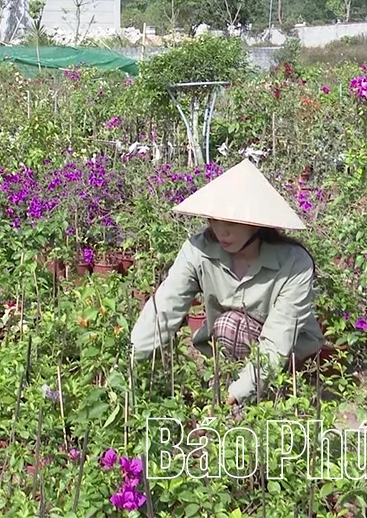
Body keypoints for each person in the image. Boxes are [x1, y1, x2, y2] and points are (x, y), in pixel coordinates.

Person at [130, 159, 324, 405]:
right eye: (214, 221)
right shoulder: (198, 250)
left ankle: (257, 395)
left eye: (231, 223)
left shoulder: (294, 262)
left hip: (288, 352)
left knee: (231, 325)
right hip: (228, 344)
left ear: (256, 223)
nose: (222, 232)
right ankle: (231, 386)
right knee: (227, 327)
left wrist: (235, 394)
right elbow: (165, 307)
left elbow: (279, 338)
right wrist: (130, 359)